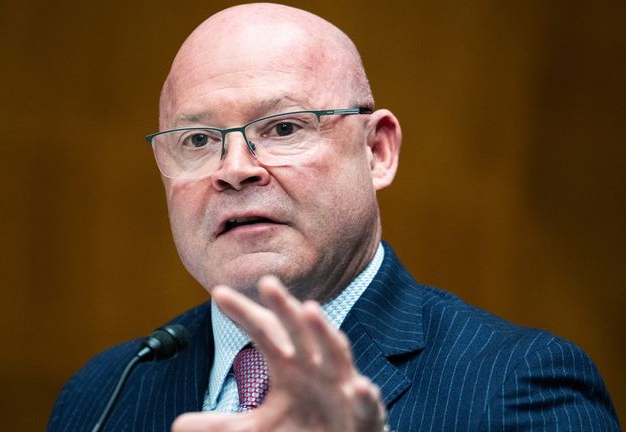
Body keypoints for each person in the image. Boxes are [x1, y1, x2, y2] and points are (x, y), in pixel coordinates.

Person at [48, 4, 620, 431]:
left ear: (377, 152)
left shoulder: (518, 384)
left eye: (284, 128)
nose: (235, 170)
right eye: (198, 139)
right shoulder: (102, 395)